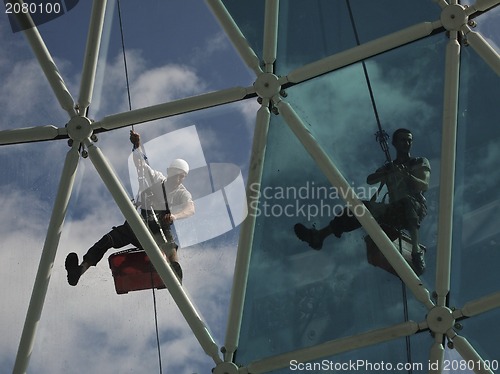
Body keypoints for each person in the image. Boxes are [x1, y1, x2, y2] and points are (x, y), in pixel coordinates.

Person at [65, 130, 195, 286]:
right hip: (138, 225)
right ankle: (79, 270)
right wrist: (137, 145)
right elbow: (140, 164)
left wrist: (174, 216)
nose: (179, 179)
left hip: (158, 230)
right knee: (108, 240)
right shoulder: (157, 178)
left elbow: (190, 208)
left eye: (182, 176)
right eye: (176, 174)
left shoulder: (181, 192)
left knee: (170, 246)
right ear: (169, 172)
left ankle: (175, 276)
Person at [294, 128, 430, 275]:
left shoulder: (418, 162)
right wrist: (387, 172)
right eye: (403, 140)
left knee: (407, 201)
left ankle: (416, 252)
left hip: (415, 207)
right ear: (395, 143)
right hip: (394, 211)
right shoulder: (391, 166)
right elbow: (371, 180)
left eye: (409, 140)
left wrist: (405, 175)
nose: (407, 143)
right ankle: (319, 236)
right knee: (359, 207)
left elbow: (423, 184)